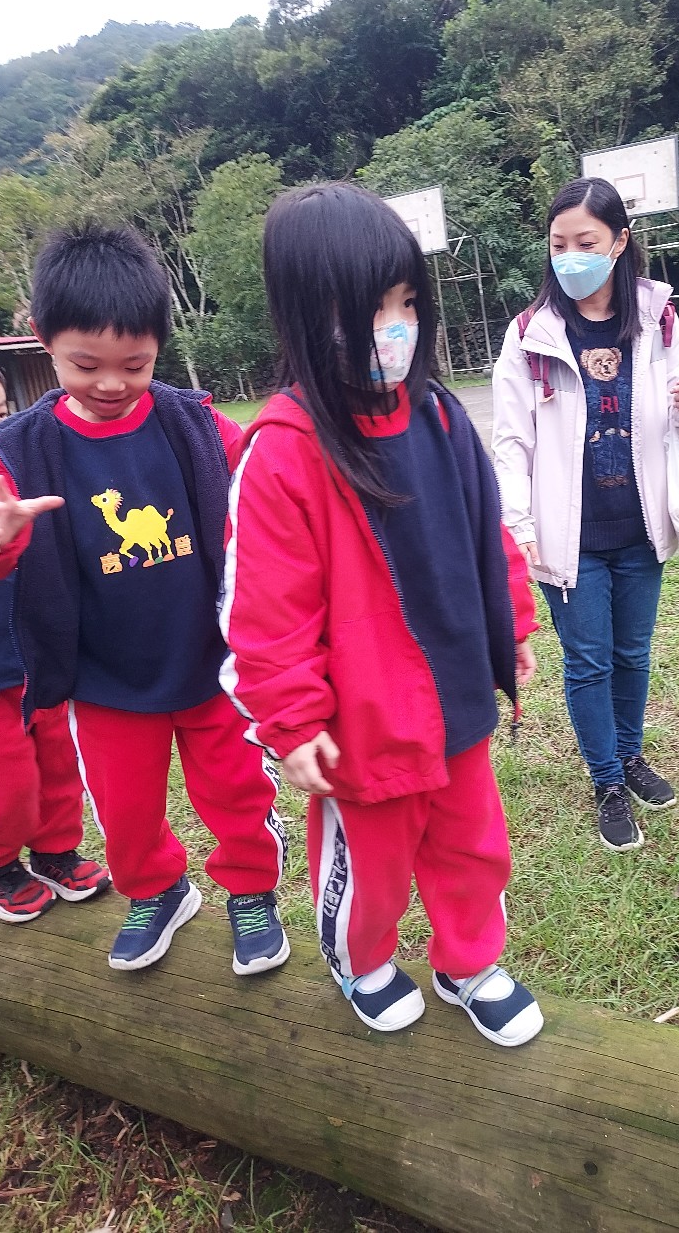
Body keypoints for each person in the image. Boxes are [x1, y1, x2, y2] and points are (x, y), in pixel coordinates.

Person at [220, 182, 544, 1047]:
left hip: (457, 691)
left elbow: (488, 531)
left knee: (474, 846)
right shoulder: (283, 451)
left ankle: (468, 963)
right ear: (304, 315)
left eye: (406, 303)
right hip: (362, 722)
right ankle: (361, 962)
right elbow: (265, 613)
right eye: (370, 309)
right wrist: (292, 722)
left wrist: (512, 624)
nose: (395, 328)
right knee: (371, 867)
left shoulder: (439, 414)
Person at [0, 225, 289, 975]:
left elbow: (262, 480)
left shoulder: (193, 422)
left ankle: (251, 891)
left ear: (158, 347)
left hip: (210, 664)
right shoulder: (20, 449)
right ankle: (157, 890)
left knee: (238, 792)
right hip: (103, 677)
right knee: (124, 807)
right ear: (43, 339)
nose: (111, 383)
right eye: (86, 365)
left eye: (134, 365)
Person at [491, 177, 679, 853]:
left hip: (640, 525)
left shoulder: (656, 318)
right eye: (558, 244)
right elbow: (512, 442)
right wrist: (520, 525)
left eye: (584, 242)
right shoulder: (530, 334)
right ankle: (607, 780)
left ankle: (631, 755)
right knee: (589, 663)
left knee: (632, 654)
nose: (569, 256)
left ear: (619, 243)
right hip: (570, 537)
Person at [0, 344, 110, 921]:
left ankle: (56, 851)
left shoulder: (12, 478)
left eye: (0, 413)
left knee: (59, 765)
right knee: (6, 782)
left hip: (35, 657)